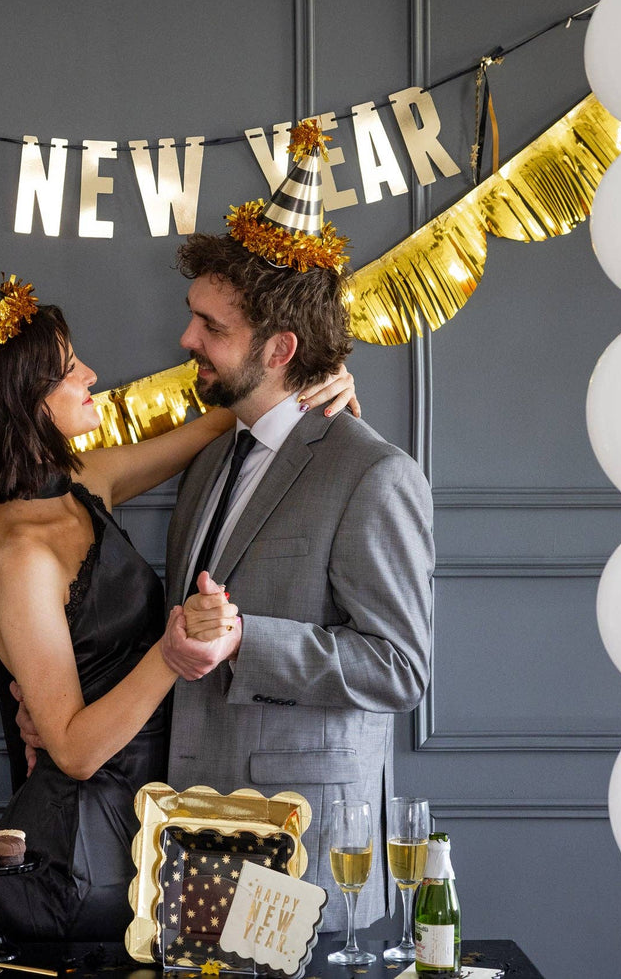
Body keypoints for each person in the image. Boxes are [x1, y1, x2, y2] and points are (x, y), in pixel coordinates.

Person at [0, 198, 356, 942]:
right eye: (65, 370)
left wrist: (321, 373)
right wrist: (172, 651)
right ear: (20, 405)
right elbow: (75, 748)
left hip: (151, 820)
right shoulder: (17, 553)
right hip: (83, 850)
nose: (90, 374)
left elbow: (225, 418)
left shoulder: (83, 479)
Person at [157, 120, 435, 932]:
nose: (187, 340)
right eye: (193, 316)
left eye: (212, 328)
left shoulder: (373, 473)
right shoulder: (213, 460)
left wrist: (248, 639)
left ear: (280, 348)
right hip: (193, 830)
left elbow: (400, 666)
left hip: (305, 842)